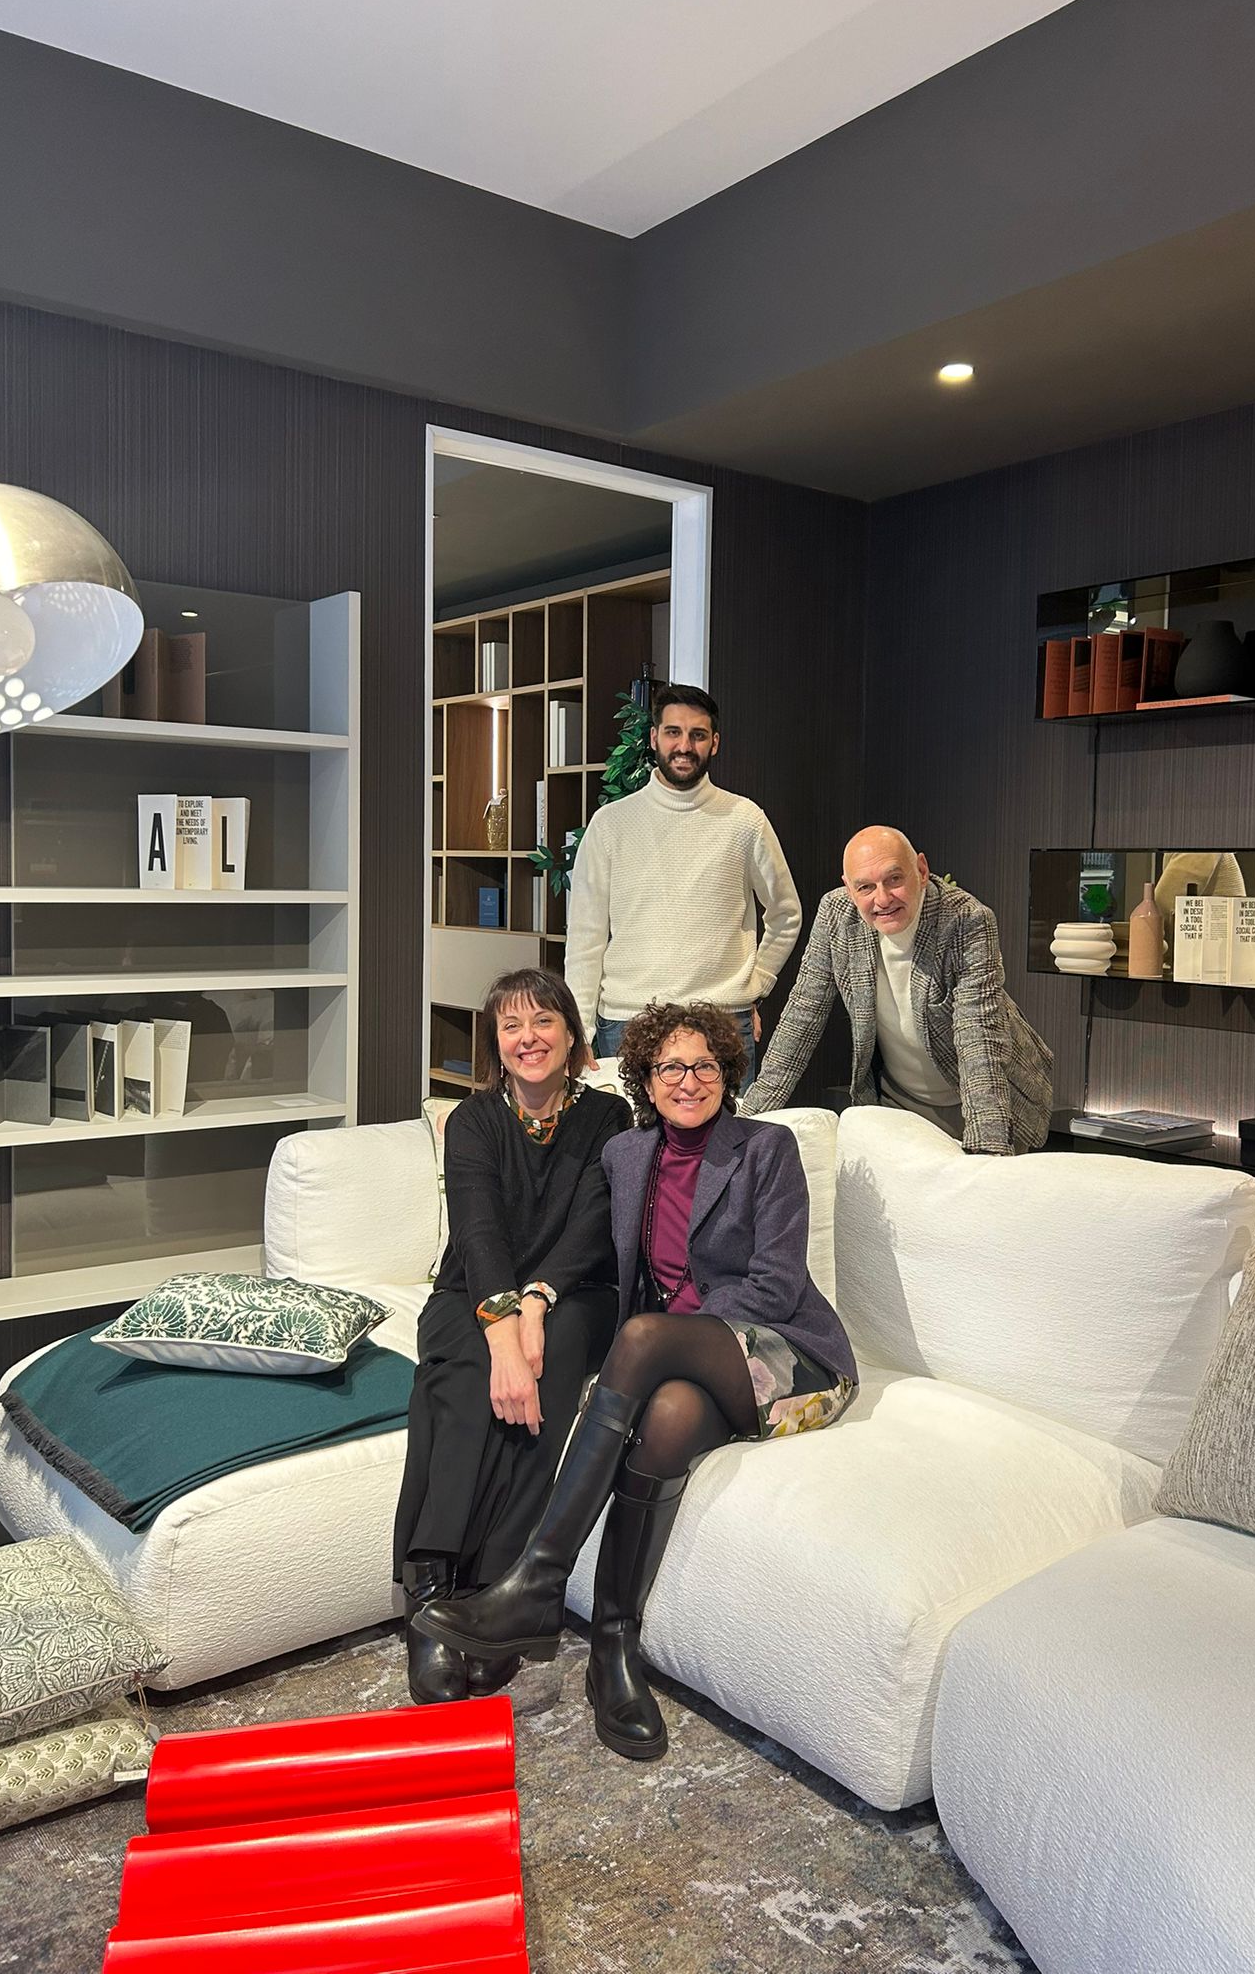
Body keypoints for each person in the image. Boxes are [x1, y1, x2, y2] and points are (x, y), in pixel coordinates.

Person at [414, 1000, 856, 1760]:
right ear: (646, 1082)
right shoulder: (626, 1156)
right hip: (690, 1369)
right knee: (666, 1420)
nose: (689, 1081)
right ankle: (613, 1651)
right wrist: (528, 1306)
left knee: (645, 1336)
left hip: (787, 1358)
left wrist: (678, 1337)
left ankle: (538, 1579)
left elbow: (778, 1286)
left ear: (728, 1074)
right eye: (670, 1067)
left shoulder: (766, 1148)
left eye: (705, 1065)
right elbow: (599, 1254)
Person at [393, 968, 631, 1705]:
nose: (528, 1038)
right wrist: (504, 1337)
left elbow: (593, 1224)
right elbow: (480, 1231)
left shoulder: (609, 1116)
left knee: (551, 1374)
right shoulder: (472, 1121)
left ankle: (499, 1592)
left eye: (543, 1021)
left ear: (572, 1035)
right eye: (511, 1025)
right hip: (473, 1290)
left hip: (573, 1293)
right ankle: (433, 1594)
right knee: (463, 1382)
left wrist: (538, 1302)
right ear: (496, 1042)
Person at [742, 825, 1053, 1154]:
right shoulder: (836, 915)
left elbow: (979, 1038)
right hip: (897, 1103)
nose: (882, 899)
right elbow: (802, 1017)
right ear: (849, 889)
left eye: (894, 879)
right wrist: (747, 1121)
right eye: (865, 887)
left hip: (983, 1099)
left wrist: (987, 1152)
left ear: (921, 870)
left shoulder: (966, 919)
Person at [562, 682, 801, 1089]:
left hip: (723, 1019)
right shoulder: (610, 824)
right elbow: (586, 937)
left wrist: (756, 981)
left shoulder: (745, 820)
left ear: (715, 743)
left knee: (729, 1132)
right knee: (631, 1132)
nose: (684, 746)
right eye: (673, 732)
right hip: (628, 1020)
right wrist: (579, 1032)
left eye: (698, 735)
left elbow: (786, 913)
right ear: (654, 737)